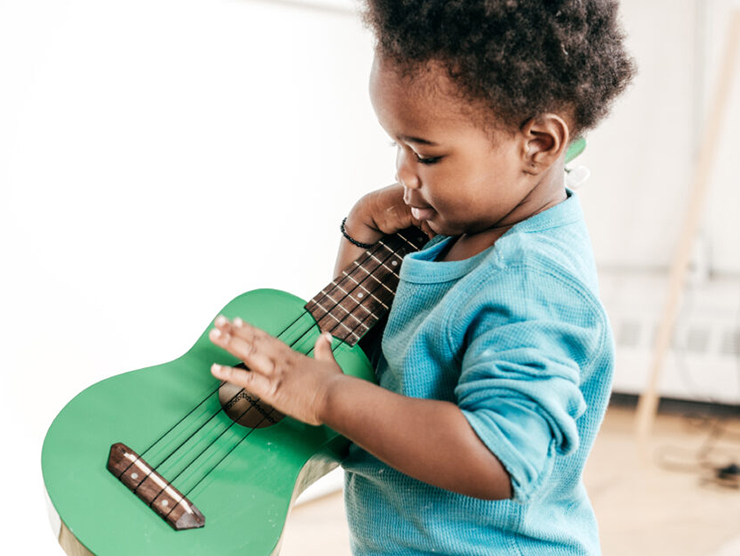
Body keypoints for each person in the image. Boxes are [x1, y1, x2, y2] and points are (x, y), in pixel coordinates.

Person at [209, 1, 636, 554]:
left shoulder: (533, 281)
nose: (402, 173)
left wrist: (329, 396)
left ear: (539, 143)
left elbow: (500, 455)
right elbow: (368, 354)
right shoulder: (462, 228)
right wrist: (358, 241)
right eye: (398, 146)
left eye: (427, 156)